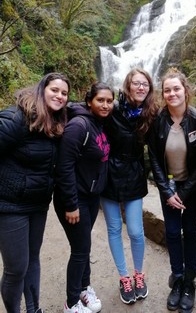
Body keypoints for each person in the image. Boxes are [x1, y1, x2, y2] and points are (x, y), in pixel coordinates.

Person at [0, 72, 70, 313]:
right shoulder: (18, 117)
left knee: (32, 261)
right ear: (42, 90)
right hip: (10, 205)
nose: (59, 96)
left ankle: (34, 309)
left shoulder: (57, 122)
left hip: (38, 205)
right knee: (16, 268)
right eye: (54, 90)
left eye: (64, 93)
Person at [148, 68, 196, 313]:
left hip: (191, 188)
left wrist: (184, 193)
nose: (172, 94)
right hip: (168, 186)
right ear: (163, 94)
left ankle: (189, 282)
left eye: (176, 89)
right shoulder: (158, 121)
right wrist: (167, 192)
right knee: (172, 232)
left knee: (190, 230)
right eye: (167, 90)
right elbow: (154, 157)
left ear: (185, 91)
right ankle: (178, 277)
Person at [53, 82, 114, 313]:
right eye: (101, 100)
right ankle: (71, 302)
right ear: (89, 101)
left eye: (109, 101)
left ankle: (84, 288)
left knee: (83, 247)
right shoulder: (79, 126)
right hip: (73, 199)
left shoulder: (98, 123)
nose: (106, 105)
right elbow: (64, 167)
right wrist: (71, 204)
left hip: (89, 196)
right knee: (80, 249)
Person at [100, 68, 158, 305]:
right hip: (110, 176)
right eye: (137, 83)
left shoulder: (150, 113)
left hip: (134, 175)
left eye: (145, 84)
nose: (141, 87)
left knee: (135, 230)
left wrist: (172, 179)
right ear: (128, 85)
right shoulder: (111, 109)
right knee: (114, 228)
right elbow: (86, 112)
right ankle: (124, 277)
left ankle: (139, 274)